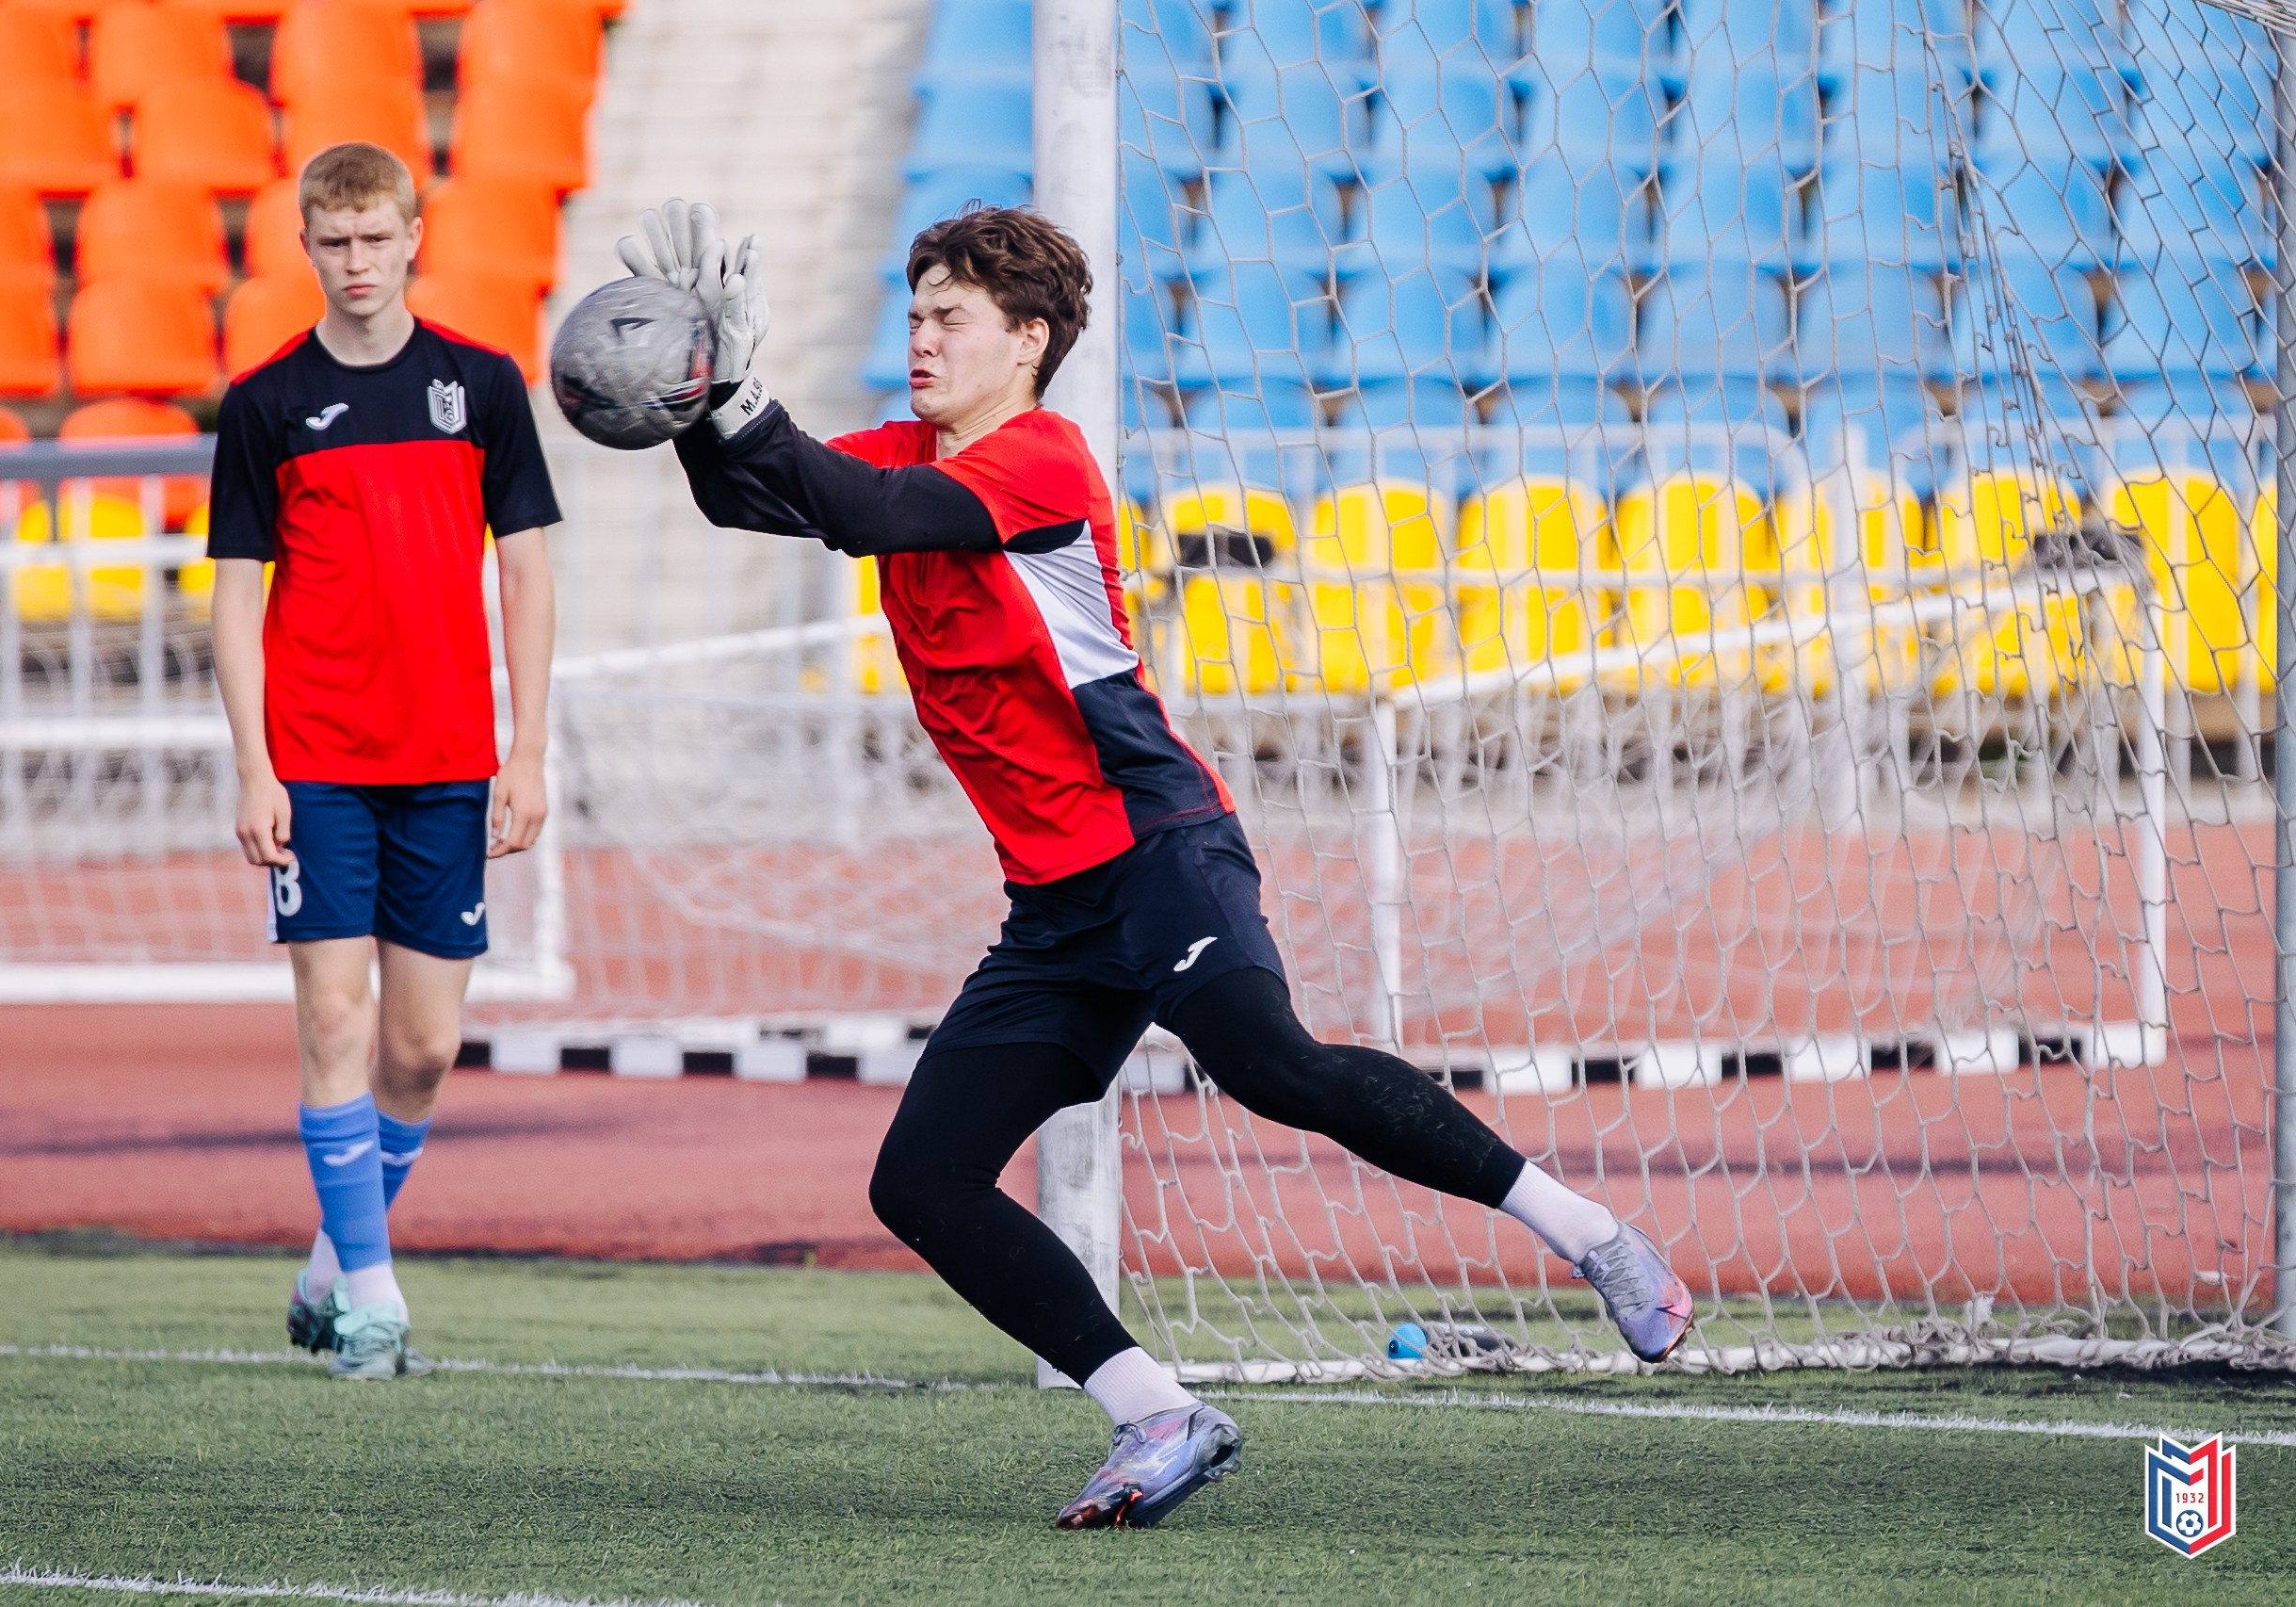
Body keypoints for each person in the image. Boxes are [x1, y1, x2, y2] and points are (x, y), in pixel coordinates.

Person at [623, 200, 1691, 1525]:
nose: (920, 338)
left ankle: (1592, 1236)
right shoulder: (915, 447)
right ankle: (1158, 1411)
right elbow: (751, 495)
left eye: (949, 318)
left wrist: (740, 387)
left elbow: (855, 504)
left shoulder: (1041, 457)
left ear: (1028, 341)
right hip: (1056, 903)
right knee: (922, 1182)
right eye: (911, 315)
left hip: (1158, 844)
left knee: (1270, 1062)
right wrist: (696, 389)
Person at [209, 141, 561, 1381]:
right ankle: (372, 1296)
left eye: (376, 238)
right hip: (317, 765)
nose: (357, 262)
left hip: (452, 763)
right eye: (334, 241)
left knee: (420, 1048)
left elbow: (523, 567)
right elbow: (237, 599)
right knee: (335, 1020)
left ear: (414, 237)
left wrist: (528, 748)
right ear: (305, 247)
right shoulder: (263, 405)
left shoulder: (484, 384)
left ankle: (324, 1259)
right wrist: (254, 765)